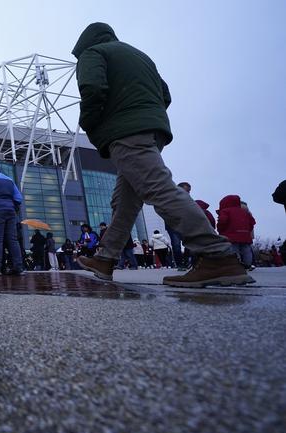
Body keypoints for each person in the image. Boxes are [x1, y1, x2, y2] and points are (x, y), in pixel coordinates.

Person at [71, 22, 252, 287]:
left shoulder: (93, 54)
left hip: (126, 133)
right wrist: (147, 114)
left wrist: (91, 123)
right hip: (152, 130)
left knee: (159, 189)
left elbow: (93, 89)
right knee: (125, 202)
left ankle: (217, 256)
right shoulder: (139, 56)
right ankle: (105, 258)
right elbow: (164, 94)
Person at [217, 195, 256, 270]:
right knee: (246, 250)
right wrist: (248, 230)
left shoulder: (226, 211)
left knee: (234, 250)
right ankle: (248, 265)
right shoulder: (245, 212)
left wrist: (221, 230)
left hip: (231, 235)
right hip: (245, 235)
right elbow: (252, 222)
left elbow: (222, 221)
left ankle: (236, 265)